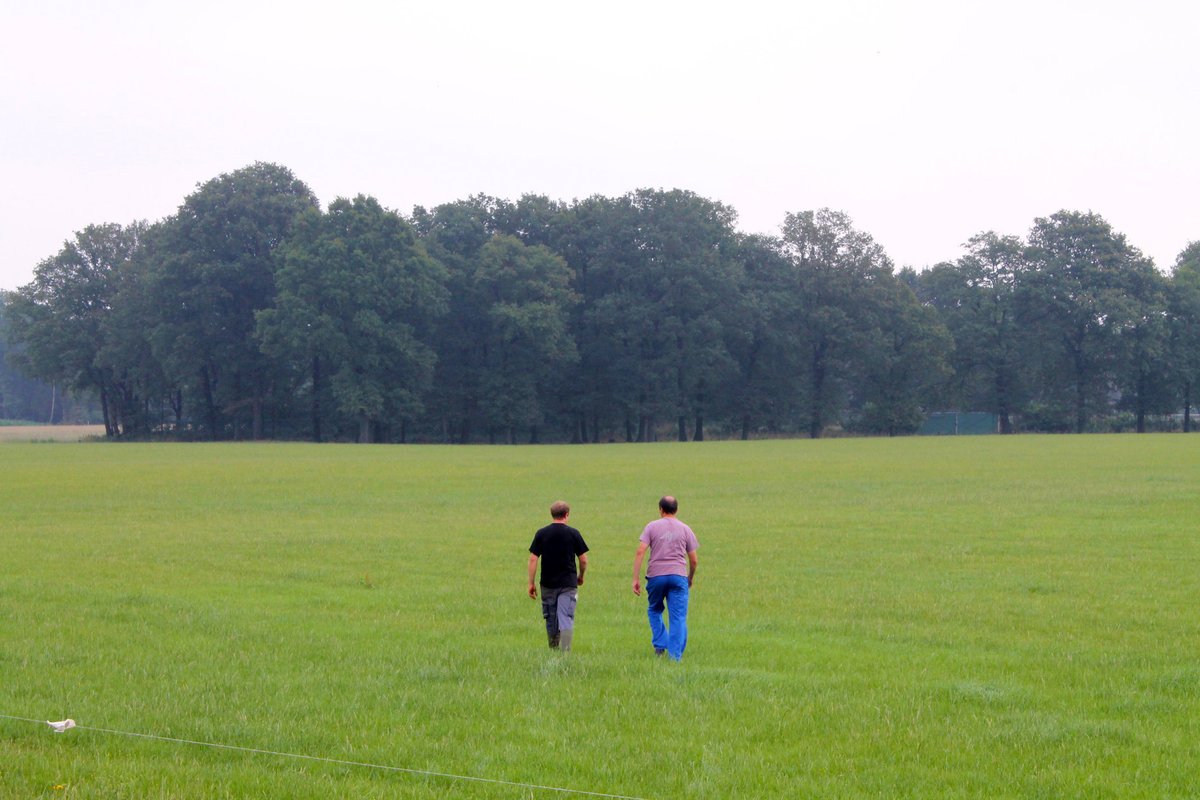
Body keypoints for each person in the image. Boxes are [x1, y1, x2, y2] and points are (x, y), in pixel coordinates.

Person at [631, 495, 698, 661]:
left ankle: (660, 645)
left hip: (656, 576)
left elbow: (640, 551)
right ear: (676, 509)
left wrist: (635, 578)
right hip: (678, 576)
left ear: (660, 509)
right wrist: (690, 577)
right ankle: (674, 657)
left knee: (654, 609)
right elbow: (694, 559)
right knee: (678, 617)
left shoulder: (651, 527)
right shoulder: (685, 529)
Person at [528, 500, 589, 651]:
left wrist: (531, 583)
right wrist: (581, 575)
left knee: (550, 617)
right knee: (566, 616)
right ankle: (565, 651)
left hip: (547, 583)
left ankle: (553, 648)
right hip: (568, 584)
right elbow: (583, 559)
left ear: (552, 514)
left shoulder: (541, 533)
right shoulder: (573, 533)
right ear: (567, 515)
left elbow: (533, 559)